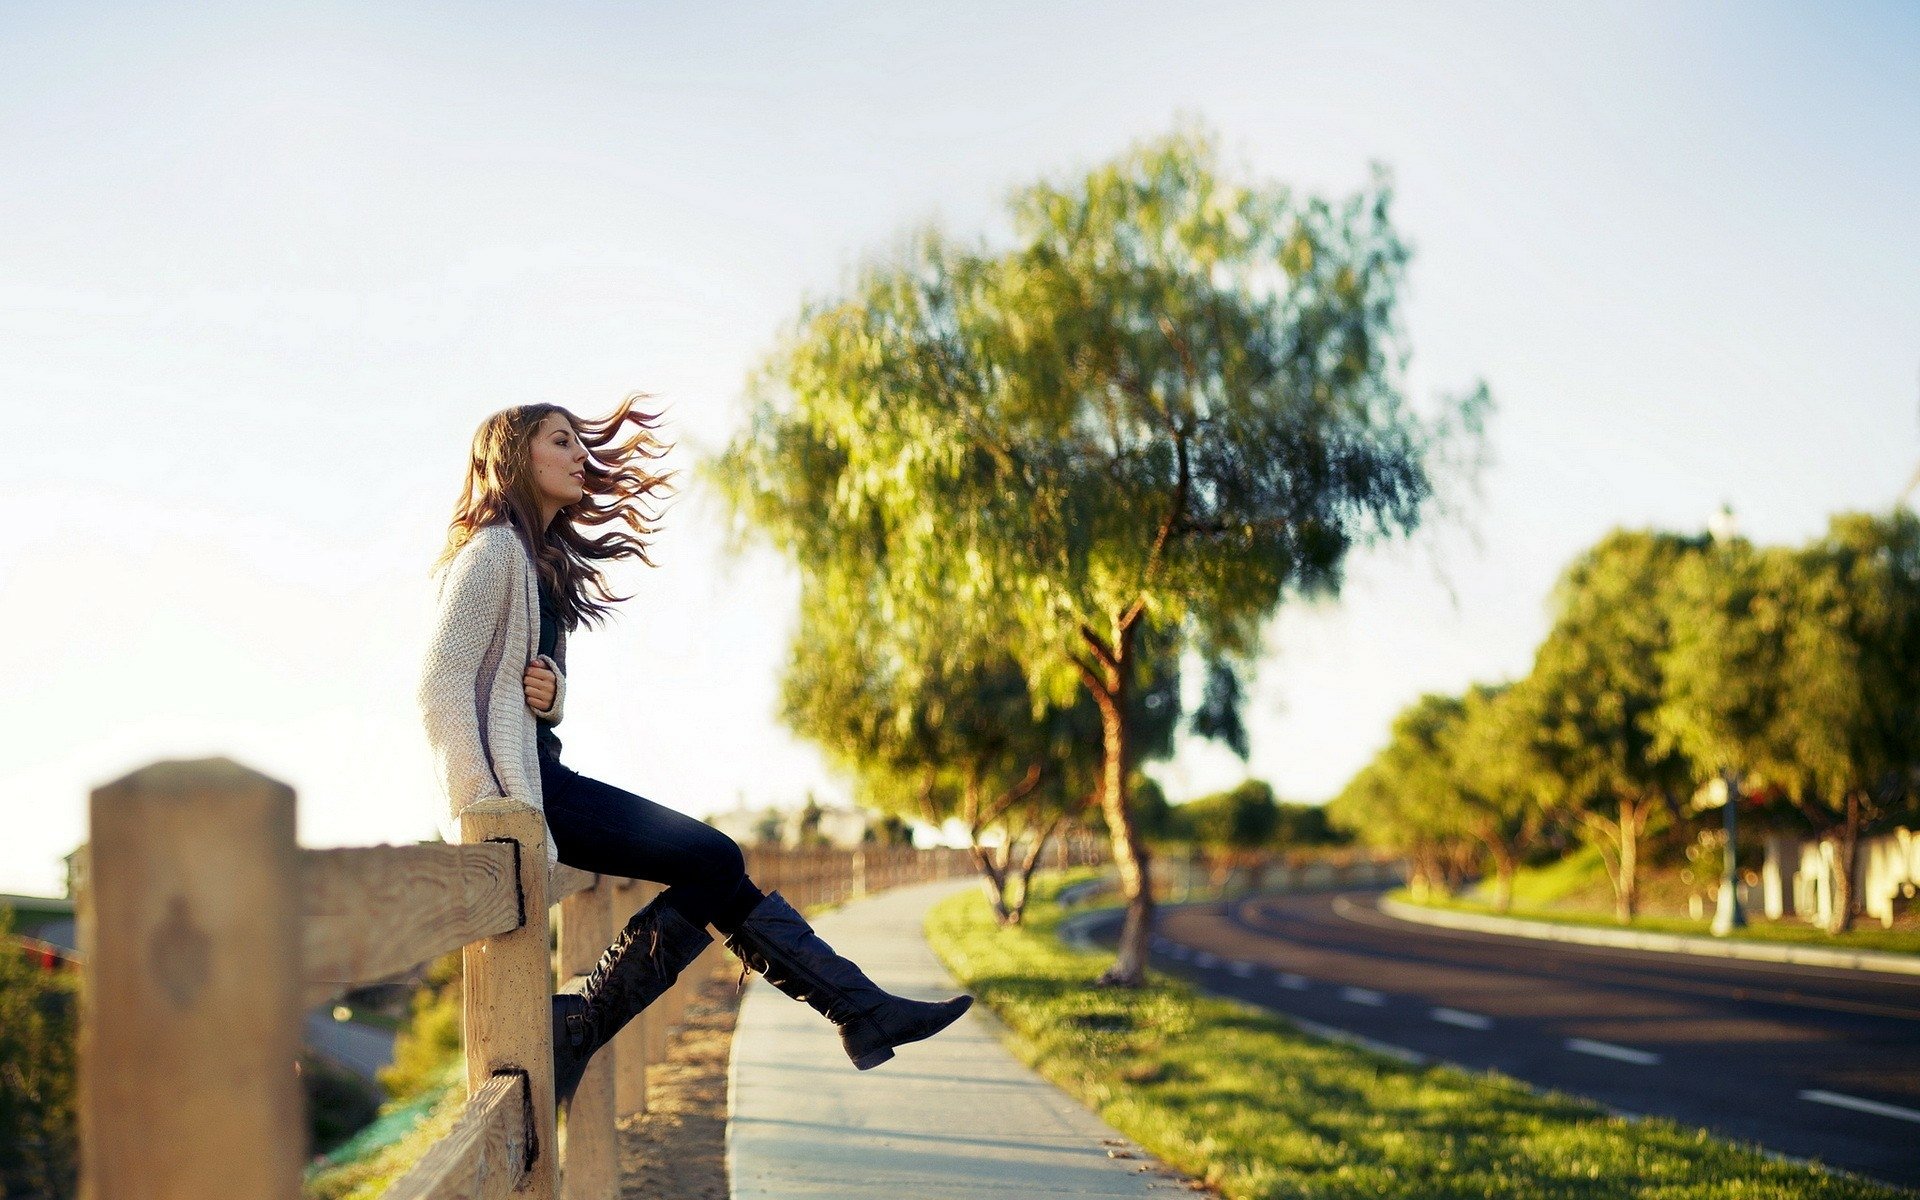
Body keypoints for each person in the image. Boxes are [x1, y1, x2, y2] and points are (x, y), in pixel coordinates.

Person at [416, 397, 972, 1106]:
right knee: (715, 860)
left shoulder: (533, 559)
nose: (581, 455)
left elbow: (517, 693)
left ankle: (859, 1012)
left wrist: (551, 694)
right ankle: (846, 1012)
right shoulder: (493, 548)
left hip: (540, 776)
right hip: (524, 798)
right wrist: (484, 813)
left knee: (715, 866)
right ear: (514, 456)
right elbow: (440, 686)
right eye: (562, 442)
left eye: (580, 442)